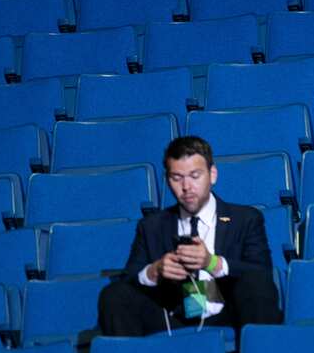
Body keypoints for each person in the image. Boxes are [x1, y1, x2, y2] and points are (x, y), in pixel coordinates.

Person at [97, 136, 281, 337]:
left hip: (227, 309)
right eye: (177, 178)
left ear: (212, 175)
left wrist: (212, 263)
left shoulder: (245, 219)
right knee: (114, 295)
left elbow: (261, 272)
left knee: (257, 285)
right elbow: (129, 278)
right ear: (168, 180)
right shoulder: (151, 226)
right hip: (172, 314)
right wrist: (154, 271)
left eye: (195, 176)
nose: (186, 187)